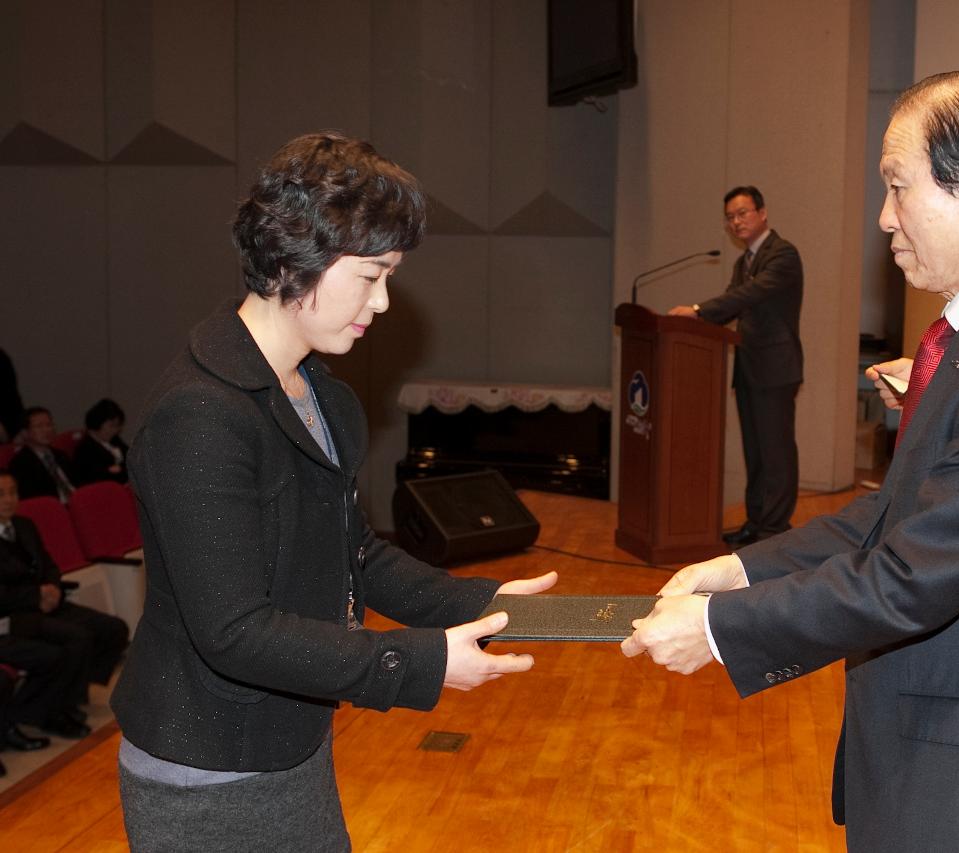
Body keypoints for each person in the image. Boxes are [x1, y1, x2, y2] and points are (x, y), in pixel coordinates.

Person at [624, 68, 959, 853]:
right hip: (939, 751)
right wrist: (739, 573)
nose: (883, 218)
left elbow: (913, 576)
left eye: (898, 188)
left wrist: (719, 627)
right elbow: (893, 512)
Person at [109, 132, 556, 852]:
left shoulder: (319, 393)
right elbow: (233, 631)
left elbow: (358, 557)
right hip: (207, 766)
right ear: (294, 256)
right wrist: (421, 661)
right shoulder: (200, 414)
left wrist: (491, 604)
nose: (382, 303)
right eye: (371, 275)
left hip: (289, 740)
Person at [669, 186, 803, 545]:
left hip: (776, 368)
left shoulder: (782, 254)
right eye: (730, 217)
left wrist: (698, 311)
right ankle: (756, 523)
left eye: (742, 213)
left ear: (762, 213)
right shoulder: (742, 262)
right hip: (747, 367)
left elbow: (749, 295)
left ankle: (774, 530)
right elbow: (731, 307)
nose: (736, 222)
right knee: (755, 453)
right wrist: (693, 324)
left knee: (775, 452)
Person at [0, 470, 124, 738]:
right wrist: (37, 596)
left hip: (47, 604)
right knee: (77, 639)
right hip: (17, 615)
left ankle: (71, 693)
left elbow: (49, 564)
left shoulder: (24, 525)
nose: (9, 500)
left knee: (113, 628)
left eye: (12, 493)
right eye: (1, 494)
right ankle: (53, 709)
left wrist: (53, 587)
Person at [8, 408, 77, 502]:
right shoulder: (20, 464)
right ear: (25, 432)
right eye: (39, 426)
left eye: (49, 424)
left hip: (77, 502)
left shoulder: (61, 455)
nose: (47, 430)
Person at [73, 398, 129, 485]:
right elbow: (98, 477)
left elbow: (131, 459)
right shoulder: (85, 450)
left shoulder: (115, 440)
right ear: (97, 423)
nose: (116, 430)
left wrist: (119, 469)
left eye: (118, 426)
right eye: (111, 426)